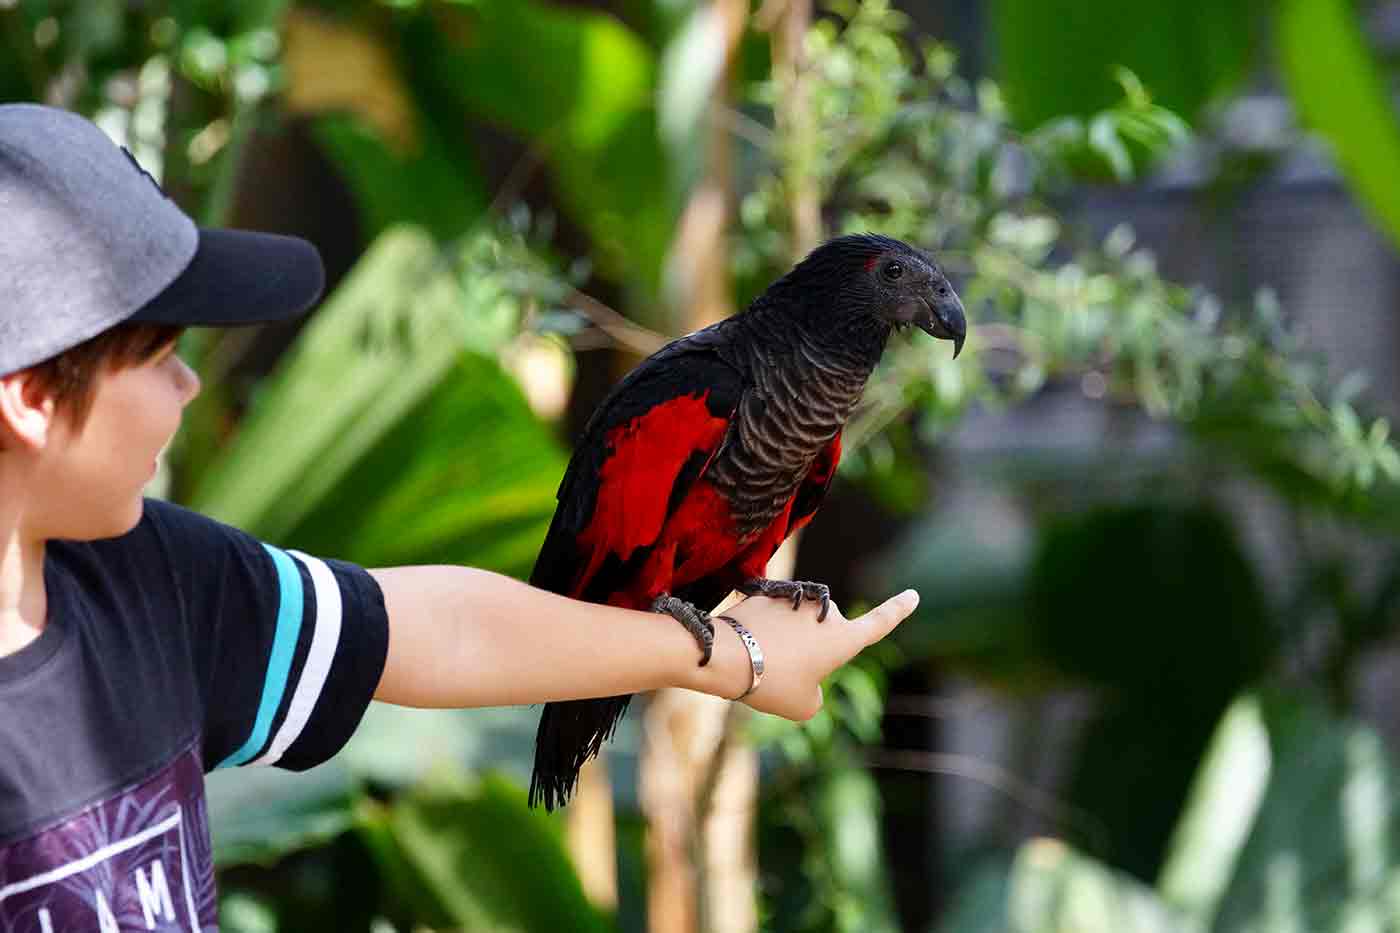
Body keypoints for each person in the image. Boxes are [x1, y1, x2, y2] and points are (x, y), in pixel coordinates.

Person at [0, 103, 920, 930]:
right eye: (160, 354)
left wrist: (738, 660)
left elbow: (440, 628)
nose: (192, 381)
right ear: (32, 397)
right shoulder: (693, 399)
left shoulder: (164, 581)